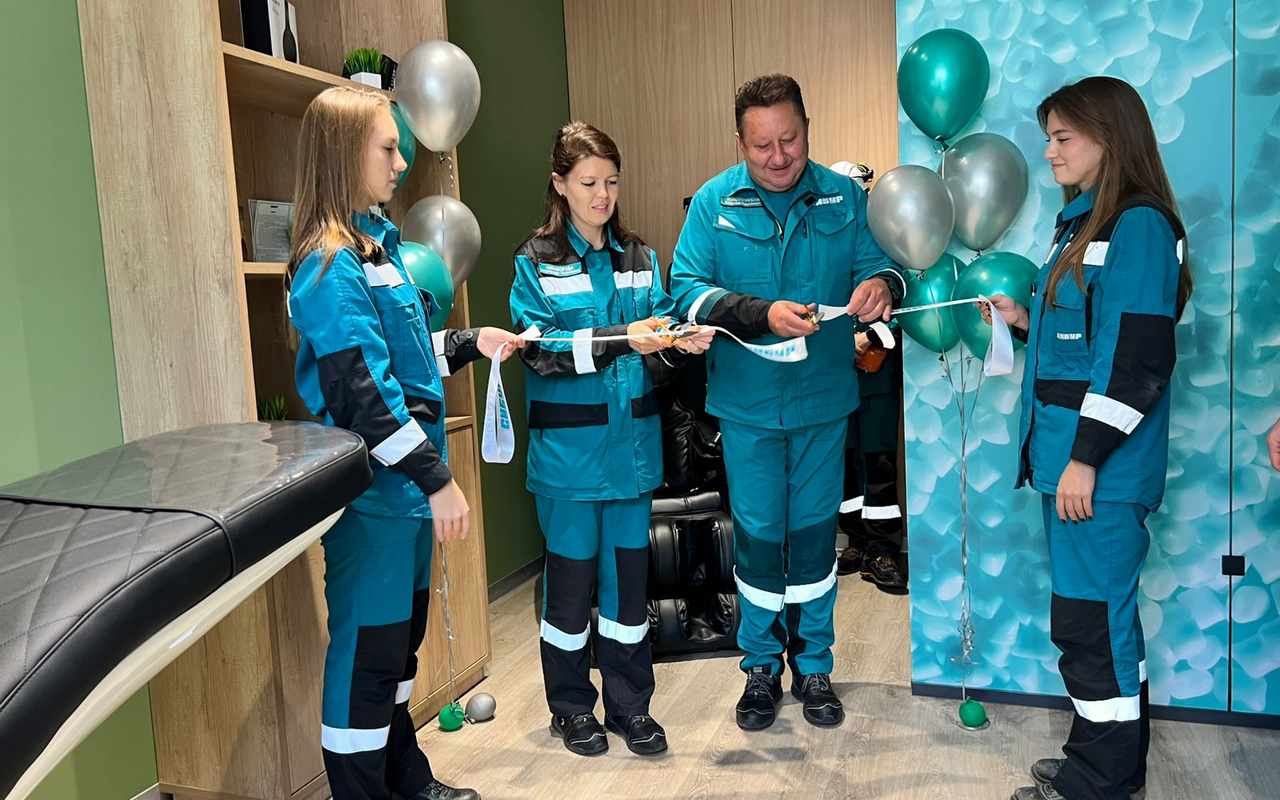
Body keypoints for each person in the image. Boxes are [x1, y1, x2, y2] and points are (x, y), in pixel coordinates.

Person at [287, 85, 523, 800]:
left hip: (405, 497)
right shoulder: (329, 265)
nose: (400, 163)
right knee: (367, 658)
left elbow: (406, 363)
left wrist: (470, 342)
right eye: (388, 149)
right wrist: (436, 479)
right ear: (342, 154)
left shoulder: (378, 248)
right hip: (377, 503)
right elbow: (365, 397)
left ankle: (405, 780)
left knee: (396, 650)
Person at [668, 74, 904, 731]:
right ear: (739, 142)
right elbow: (685, 290)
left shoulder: (844, 197)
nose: (778, 157)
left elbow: (884, 266)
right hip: (746, 407)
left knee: (813, 538)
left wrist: (882, 286)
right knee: (759, 538)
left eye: (790, 140)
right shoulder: (713, 203)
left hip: (823, 402)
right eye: (762, 145)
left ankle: (816, 666)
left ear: (807, 129)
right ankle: (761, 668)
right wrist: (759, 314)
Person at [981, 76, 1192, 800]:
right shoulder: (1084, 225)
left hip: (1099, 475)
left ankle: (1098, 784)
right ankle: (1105, 763)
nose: (1050, 151)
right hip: (1071, 467)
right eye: (1049, 137)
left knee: (1093, 624)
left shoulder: (1138, 227)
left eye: (1063, 137)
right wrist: (1024, 320)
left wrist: (1085, 459)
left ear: (1110, 137)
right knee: (1092, 622)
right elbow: (1088, 340)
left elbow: (1135, 361)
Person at [509, 121, 714, 757]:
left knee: (628, 593)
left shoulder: (640, 259)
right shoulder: (534, 262)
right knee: (570, 595)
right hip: (568, 465)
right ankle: (571, 708)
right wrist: (628, 338)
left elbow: (658, 348)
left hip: (632, 459)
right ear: (559, 184)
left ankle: (631, 707)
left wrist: (679, 343)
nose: (602, 196)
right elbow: (541, 351)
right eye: (589, 183)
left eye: (612, 182)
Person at [836, 321, 908, 594]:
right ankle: (857, 542)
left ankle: (881, 549)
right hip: (832, 375)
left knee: (880, 463)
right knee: (846, 462)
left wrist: (869, 336)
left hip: (878, 368)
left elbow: (903, 307)